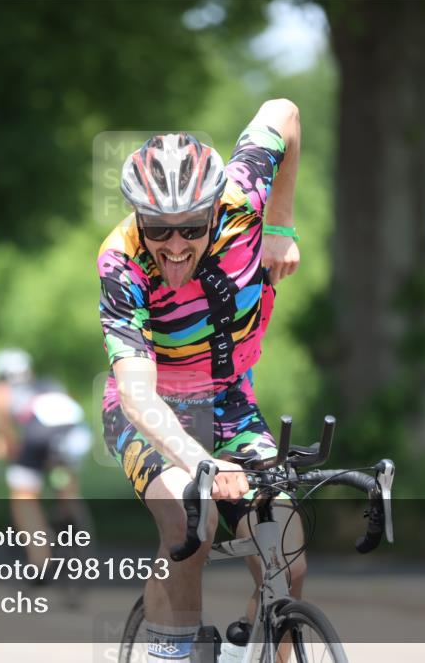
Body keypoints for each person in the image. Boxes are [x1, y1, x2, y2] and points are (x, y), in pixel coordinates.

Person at [98, 99, 301, 662]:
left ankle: (239, 653)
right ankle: (171, 652)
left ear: (215, 206)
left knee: (289, 557)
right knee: (192, 522)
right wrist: (199, 462)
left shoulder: (243, 195)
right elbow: (137, 394)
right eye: (157, 228)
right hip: (151, 406)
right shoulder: (121, 262)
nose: (175, 243)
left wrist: (281, 225)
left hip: (230, 399)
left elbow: (284, 113)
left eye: (191, 225)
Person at [0, 349, 93, 570]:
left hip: (38, 433)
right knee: (66, 479)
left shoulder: (0, 390)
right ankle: (70, 514)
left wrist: (10, 450)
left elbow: (5, 432)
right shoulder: (50, 384)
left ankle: (40, 559)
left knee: (23, 494)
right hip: (76, 432)